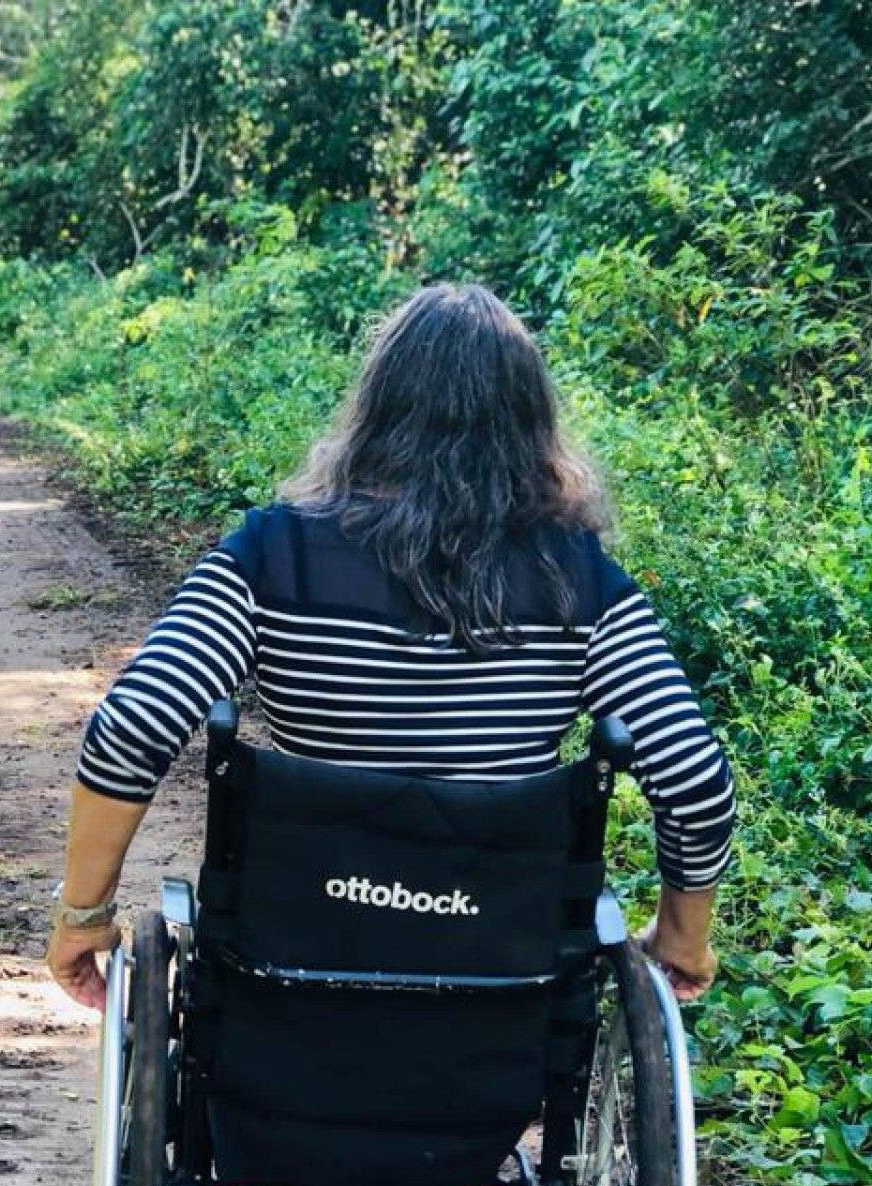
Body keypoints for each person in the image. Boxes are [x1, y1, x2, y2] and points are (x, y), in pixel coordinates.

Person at [45, 282, 733, 1020]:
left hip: (292, 968)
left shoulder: (273, 559)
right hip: (501, 989)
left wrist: (84, 915)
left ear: (374, 406)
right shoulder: (583, 584)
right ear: (532, 420)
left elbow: (135, 723)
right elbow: (693, 777)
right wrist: (683, 938)